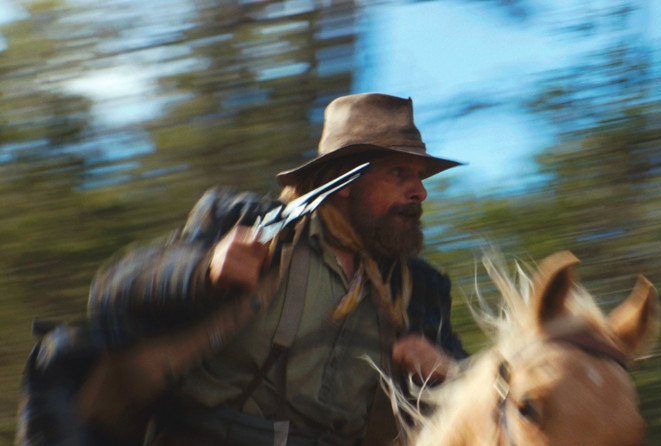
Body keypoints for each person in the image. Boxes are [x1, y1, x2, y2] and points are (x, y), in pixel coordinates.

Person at [84, 93, 467, 446]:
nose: (420, 192)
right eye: (400, 173)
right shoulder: (253, 227)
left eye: (420, 176)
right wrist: (204, 270)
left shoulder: (417, 289)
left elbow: (492, 393)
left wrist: (449, 373)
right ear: (344, 179)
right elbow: (114, 289)